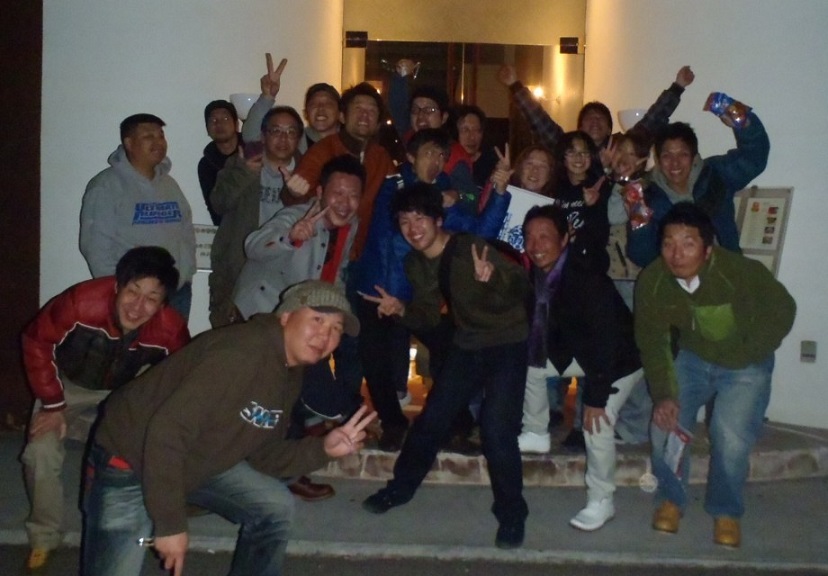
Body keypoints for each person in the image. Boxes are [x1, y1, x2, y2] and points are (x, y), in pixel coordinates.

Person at [81, 280, 376, 576]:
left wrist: (323, 449)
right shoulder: (242, 353)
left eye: (336, 328)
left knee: (274, 507)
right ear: (286, 316)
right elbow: (167, 433)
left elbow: (263, 453)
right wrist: (170, 524)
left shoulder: (289, 369)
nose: (325, 335)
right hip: (131, 458)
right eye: (317, 320)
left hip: (194, 458)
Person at [360, 184, 530, 550]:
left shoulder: (469, 247)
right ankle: (400, 488)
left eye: (420, 218)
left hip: (507, 341)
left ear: (438, 219)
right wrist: (401, 309)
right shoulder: (416, 263)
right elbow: (427, 314)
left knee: (496, 430)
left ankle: (512, 512)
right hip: (468, 343)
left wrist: (493, 276)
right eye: (404, 221)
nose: (413, 228)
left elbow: (519, 284)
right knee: (432, 419)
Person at [20, 246, 189, 572]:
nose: (138, 306)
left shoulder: (170, 328)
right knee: (40, 451)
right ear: (117, 286)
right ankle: (44, 536)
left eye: (151, 298)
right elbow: (36, 341)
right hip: (65, 386)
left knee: (148, 448)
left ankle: (135, 526)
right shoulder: (80, 302)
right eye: (133, 292)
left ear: (163, 304)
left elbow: (182, 375)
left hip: (124, 392)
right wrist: (52, 403)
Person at [636, 203, 795, 548]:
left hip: (745, 362)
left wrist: (751, 350)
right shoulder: (653, 280)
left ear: (708, 249)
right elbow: (652, 341)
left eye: (688, 243)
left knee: (729, 433)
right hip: (694, 358)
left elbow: (783, 309)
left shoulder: (739, 272)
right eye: (668, 243)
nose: (676, 254)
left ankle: (726, 510)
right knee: (665, 425)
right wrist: (664, 394)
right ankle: (670, 498)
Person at [356, 130, 511, 451]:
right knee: (374, 354)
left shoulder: (441, 198)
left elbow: (480, 233)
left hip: (421, 298)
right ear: (411, 157)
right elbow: (386, 228)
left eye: (442, 156)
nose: (437, 161)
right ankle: (393, 423)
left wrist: (498, 192)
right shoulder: (391, 186)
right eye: (429, 153)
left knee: (450, 349)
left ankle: (456, 424)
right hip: (380, 292)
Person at [518, 205, 642, 531]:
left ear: (564, 239)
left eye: (545, 236)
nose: (535, 245)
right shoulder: (536, 275)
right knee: (529, 362)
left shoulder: (586, 278)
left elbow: (607, 341)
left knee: (596, 424)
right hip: (582, 354)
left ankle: (602, 500)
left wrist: (596, 398)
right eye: (529, 236)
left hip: (619, 361)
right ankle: (536, 431)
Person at [626, 101, 771, 268]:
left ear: (694, 157)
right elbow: (642, 257)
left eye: (683, 154)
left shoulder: (715, 175)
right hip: (677, 277)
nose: (675, 163)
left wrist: (741, 119)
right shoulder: (646, 196)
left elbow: (755, 157)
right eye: (667, 156)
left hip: (726, 271)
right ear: (658, 159)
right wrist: (639, 219)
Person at [80, 113, 196, 319]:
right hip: (134, 298)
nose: (158, 142)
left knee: (174, 343)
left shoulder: (169, 185)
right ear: (129, 143)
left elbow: (186, 233)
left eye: (161, 136)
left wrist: (185, 275)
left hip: (175, 294)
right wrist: (122, 292)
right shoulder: (106, 186)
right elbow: (96, 248)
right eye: (148, 136)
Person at [208, 105, 304, 327]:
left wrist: (300, 193)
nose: (283, 138)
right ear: (263, 136)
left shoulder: (308, 171)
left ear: (299, 139)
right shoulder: (242, 162)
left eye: (291, 132)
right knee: (232, 342)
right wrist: (244, 173)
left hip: (287, 276)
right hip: (239, 270)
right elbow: (218, 203)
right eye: (276, 131)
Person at [282, 82, 396, 259]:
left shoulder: (381, 157)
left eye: (372, 110)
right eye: (358, 108)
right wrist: (293, 193)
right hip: (322, 249)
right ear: (342, 116)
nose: (364, 115)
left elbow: (397, 195)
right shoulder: (324, 149)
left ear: (378, 124)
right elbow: (299, 192)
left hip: (365, 253)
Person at [497, 65, 695, 160]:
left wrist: (678, 87)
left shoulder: (622, 147)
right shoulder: (565, 147)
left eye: (601, 119)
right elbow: (540, 121)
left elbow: (652, 121)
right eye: (589, 118)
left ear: (609, 129)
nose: (595, 122)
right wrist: (515, 85)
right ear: (579, 127)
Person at [242, 54, 341, 154]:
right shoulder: (295, 139)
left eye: (328, 104)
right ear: (305, 113)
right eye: (314, 104)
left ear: (340, 113)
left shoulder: (349, 140)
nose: (320, 108)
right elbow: (250, 137)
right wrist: (267, 97)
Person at [198, 100, 241, 225]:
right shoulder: (206, 165)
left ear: (236, 124)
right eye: (213, 120)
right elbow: (213, 208)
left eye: (225, 118)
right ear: (207, 129)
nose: (219, 124)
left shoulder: (253, 153)